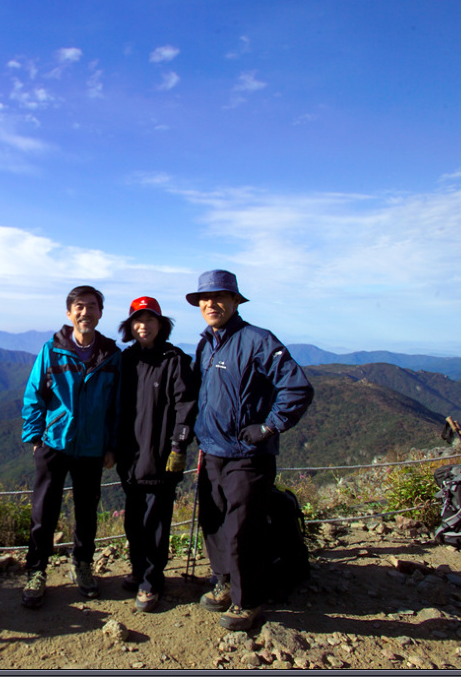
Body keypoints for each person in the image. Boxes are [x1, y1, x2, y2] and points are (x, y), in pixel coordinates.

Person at [186, 269, 314, 631]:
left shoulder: (257, 340)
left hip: (248, 456)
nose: (212, 304)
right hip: (211, 450)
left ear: (234, 301)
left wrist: (269, 426)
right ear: (199, 305)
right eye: (205, 299)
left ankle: (248, 601)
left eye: (219, 297)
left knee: (243, 529)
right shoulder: (206, 344)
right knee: (214, 523)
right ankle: (224, 581)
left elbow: (298, 387)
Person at [20, 285, 121, 609]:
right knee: (43, 512)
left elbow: (117, 407)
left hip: (92, 447)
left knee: (87, 513)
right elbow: (34, 394)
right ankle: (36, 571)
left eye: (91, 306)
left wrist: (111, 446)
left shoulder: (111, 356)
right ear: (69, 313)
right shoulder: (52, 350)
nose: (85, 312)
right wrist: (35, 437)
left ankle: (83, 565)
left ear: (100, 313)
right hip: (54, 442)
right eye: (79, 306)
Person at [114, 296, 198, 613]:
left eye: (150, 320)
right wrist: (111, 447)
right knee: (134, 521)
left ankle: (151, 583)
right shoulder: (126, 360)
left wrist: (179, 446)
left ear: (161, 325)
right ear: (130, 326)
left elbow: (185, 407)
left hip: (161, 458)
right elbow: (115, 409)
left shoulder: (175, 361)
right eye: (138, 320)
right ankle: (139, 570)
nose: (143, 325)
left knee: (156, 523)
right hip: (130, 458)